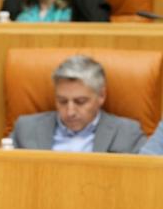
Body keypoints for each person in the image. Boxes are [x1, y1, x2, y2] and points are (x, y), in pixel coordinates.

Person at [11, 55, 146, 153]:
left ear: (101, 96)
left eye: (80, 102)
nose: (70, 112)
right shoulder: (26, 129)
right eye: (62, 101)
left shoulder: (127, 133)